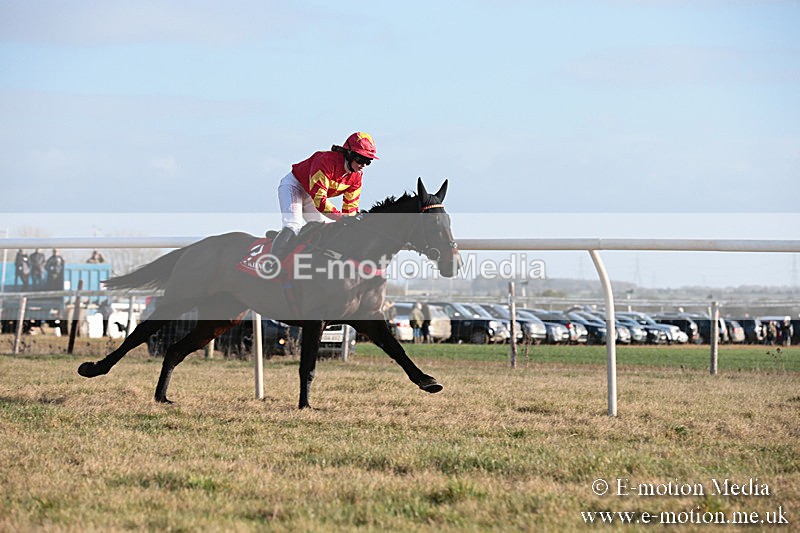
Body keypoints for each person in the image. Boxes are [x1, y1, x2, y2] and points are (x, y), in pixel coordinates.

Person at [270, 132, 378, 260]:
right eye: (361, 159)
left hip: (310, 195)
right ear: (349, 154)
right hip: (295, 186)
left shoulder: (357, 177)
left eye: (368, 161)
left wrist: (351, 222)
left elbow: (350, 207)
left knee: (325, 227)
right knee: (293, 225)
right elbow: (320, 200)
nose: (364, 165)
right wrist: (340, 217)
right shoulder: (325, 161)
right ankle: (271, 264)